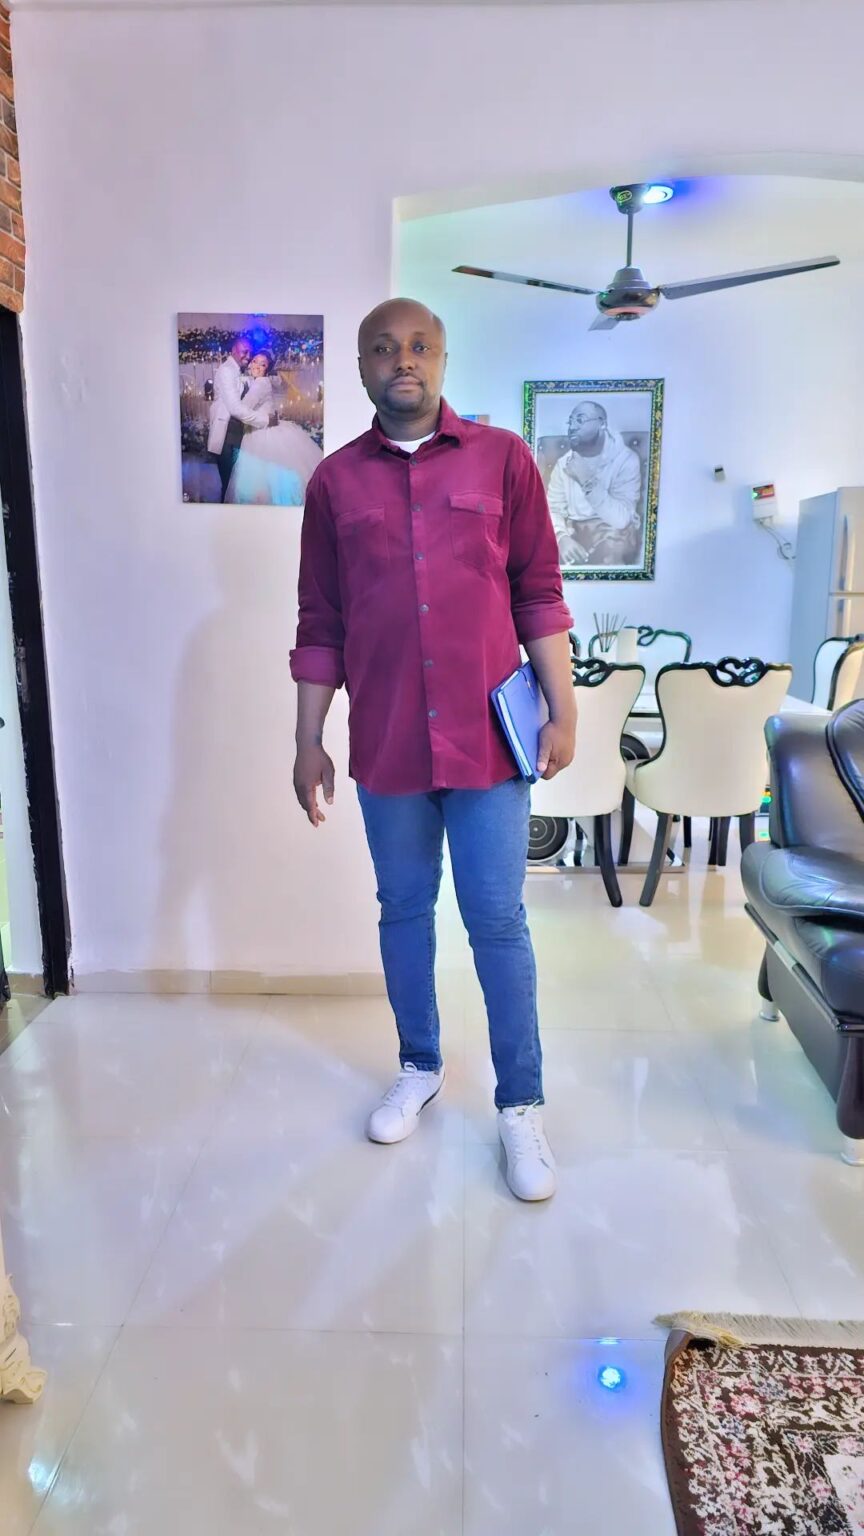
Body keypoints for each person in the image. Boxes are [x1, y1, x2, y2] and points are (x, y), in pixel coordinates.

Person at [290, 298, 576, 1202]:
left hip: (489, 741)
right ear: (363, 368)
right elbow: (320, 621)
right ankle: (419, 1064)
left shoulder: (503, 460)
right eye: (383, 348)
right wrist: (308, 739)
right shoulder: (334, 484)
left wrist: (563, 710)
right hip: (386, 741)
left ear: (443, 359)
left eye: (418, 346)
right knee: (403, 910)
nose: (401, 360)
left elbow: (539, 593)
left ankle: (520, 1105)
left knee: (497, 920)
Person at [546, 401, 643, 567]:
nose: (572, 427)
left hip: (615, 533)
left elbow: (621, 520)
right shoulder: (564, 463)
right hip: (574, 532)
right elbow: (553, 508)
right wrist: (561, 538)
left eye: (580, 420)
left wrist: (586, 480)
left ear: (602, 424)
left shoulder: (626, 460)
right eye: (570, 421)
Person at [225, 350, 323, 506]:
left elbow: (243, 407)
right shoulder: (257, 382)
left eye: (262, 364)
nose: (257, 366)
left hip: (261, 433)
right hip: (261, 429)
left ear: (267, 368)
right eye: (255, 361)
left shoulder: (261, 383)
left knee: (262, 480)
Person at [207, 334, 275, 502]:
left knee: (238, 485)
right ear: (233, 351)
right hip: (227, 435)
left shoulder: (244, 373)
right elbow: (235, 408)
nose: (248, 356)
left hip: (239, 434)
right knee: (230, 485)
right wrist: (266, 420)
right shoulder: (226, 371)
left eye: (250, 352)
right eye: (244, 352)